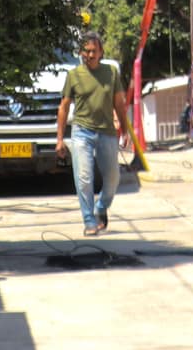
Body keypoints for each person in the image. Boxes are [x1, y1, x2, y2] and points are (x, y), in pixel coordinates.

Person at [55, 31, 132, 237]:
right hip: (82, 132)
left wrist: (125, 131)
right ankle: (89, 220)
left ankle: (101, 207)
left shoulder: (111, 73)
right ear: (81, 52)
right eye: (86, 51)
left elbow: (119, 104)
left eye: (94, 51)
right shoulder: (73, 75)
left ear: (101, 53)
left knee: (113, 178)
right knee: (84, 177)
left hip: (106, 132)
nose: (89, 55)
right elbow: (63, 108)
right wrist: (60, 139)